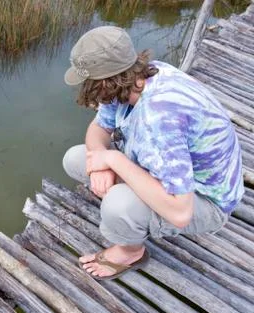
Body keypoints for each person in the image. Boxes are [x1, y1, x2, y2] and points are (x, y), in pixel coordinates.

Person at [62, 26, 244, 280]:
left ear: (104, 82)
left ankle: (130, 252)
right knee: (78, 159)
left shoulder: (158, 119)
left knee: (119, 204)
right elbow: (98, 128)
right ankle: (130, 208)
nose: (85, 87)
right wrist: (100, 162)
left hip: (205, 201)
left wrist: (112, 159)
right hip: (166, 169)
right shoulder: (136, 78)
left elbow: (181, 213)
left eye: (88, 81)